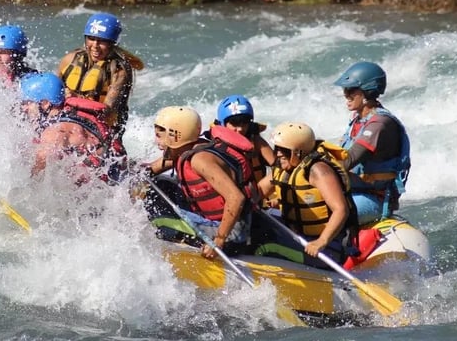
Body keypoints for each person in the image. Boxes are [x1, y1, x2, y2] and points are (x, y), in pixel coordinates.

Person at [149, 106, 257, 259]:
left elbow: (236, 198)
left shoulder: (200, 160)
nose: (157, 140)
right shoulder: (186, 149)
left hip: (231, 235)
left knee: (157, 214)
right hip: (209, 218)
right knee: (159, 184)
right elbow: (150, 169)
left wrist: (218, 241)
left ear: (176, 136)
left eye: (160, 135)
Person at [254, 122, 355, 268]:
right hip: (297, 235)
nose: (279, 154)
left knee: (264, 247)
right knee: (257, 225)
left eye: (284, 150)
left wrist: (321, 241)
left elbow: (341, 210)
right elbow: (258, 191)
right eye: (277, 149)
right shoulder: (284, 168)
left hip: (326, 248)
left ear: (298, 152)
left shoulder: (318, 170)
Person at [333, 61, 411, 225]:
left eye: (350, 90)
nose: (346, 95)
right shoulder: (358, 119)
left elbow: (348, 160)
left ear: (367, 92)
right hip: (352, 191)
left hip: (373, 198)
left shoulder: (380, 124)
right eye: (345, 90)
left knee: (321, 215)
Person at [58, 13, 140, 139]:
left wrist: (75, 98)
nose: (95, 46)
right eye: (91, 38)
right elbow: (54, 93)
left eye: (102, 41)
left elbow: (107, 112)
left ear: (113, 43)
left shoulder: (119, 71)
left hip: (101, 128)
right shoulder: (70, 59)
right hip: (68, 118)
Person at [30, 96, 126, 184]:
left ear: (45, 103)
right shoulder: (61, 122)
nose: (25, 107)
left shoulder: (54, 131)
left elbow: (41, 158)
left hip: (87, 139)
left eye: (27, 103)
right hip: (99, 142)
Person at [208, 94, 276, 206]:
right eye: (234, 124)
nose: (240, 129)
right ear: (223, 124)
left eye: (244, 123)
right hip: (231, 200)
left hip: (257, 198)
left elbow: (279, 167)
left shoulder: (256, 141)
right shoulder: (214, 146)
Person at [18, 72, 66, 137]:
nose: (24, 108)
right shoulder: (58, 120)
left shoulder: (54, 134)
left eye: (28, 103)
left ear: (45, 103)